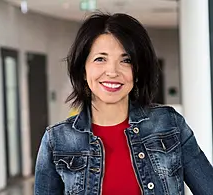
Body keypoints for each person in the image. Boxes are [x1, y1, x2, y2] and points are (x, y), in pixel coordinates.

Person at [34, 12, 213, 195]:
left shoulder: (169, 124)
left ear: (137, 71)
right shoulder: (57, 141)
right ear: (82, 69)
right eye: (100, 59)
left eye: (126, 60)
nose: (112, 71)